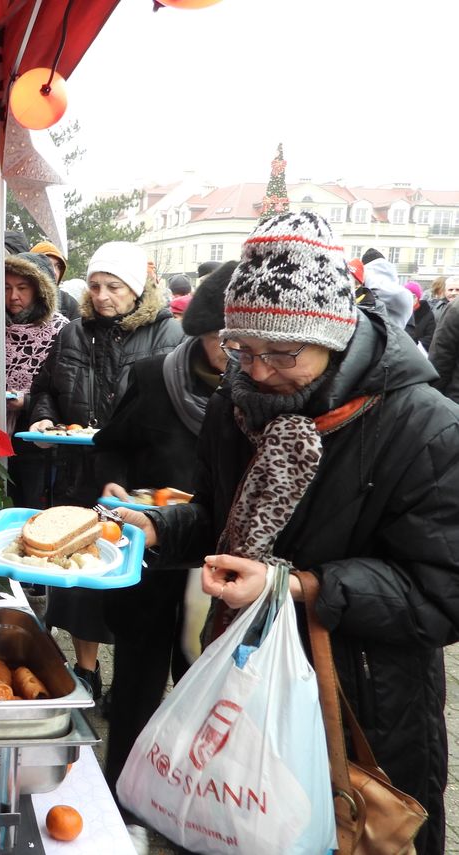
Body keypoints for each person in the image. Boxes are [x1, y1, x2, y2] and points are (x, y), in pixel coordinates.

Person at [119, 211, 459, 855]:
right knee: (232, 827)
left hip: (360, 707)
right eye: (241, 349)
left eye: (281, 353)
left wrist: (296, 586)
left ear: (334, 334)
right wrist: (158, 528)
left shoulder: (425, 426)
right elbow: (220, 518)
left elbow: (441, 593)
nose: (258, 370)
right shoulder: (235, 403)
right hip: (240, 681)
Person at [92, 261, 234, 803]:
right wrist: (112, 483)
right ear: (200, 332)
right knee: (138, 671)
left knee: (206, 675)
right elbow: (112, 442)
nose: (236, 353)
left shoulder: (260, 391)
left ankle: (195, 797)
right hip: (148, 544)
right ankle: (124, 792)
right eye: (224, 340)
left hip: (218, 554)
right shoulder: (154, 377)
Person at [28, 240, 183, 698]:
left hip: (141, 478)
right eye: (95, 285)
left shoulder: (167, 334)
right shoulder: (74, 333)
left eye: (113, 286)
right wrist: (44, 417)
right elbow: (46, 388)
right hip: (79, 470)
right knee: (81, 576)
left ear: (136, 288)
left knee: (137, 579)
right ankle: (86, 670)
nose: (101, 295)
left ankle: (132, 683)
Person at [0, 253, 68, 505]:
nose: (13, 296)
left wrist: (27, 402)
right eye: (6, 288)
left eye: (22, 288)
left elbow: (64, 389)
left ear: (39, 290)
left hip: (36, 438)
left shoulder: (61, 330)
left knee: (30, 505)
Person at [30, 240, 81, 321]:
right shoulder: (17, 298)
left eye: (58, 266)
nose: (54, 272)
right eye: (47, 264)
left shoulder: (69, 304)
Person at [405, 281, 436, 351]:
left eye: (413, 296)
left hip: (418, 351)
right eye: (406, 295)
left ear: (417, 297)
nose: (409, 298)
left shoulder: (427, 314)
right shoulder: (401, 312)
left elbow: (430, 338)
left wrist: (415, 345)